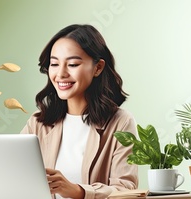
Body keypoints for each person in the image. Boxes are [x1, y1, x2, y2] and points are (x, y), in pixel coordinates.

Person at [20, 24, 138, 199]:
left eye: (73, 64)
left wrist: (78, 191)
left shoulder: (120, 122)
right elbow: (13, 176)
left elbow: (126, 189)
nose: (60, 74)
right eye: (54, 64)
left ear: (98, 68)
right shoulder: (38, 123)